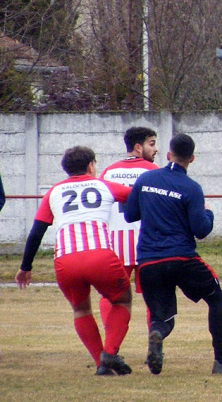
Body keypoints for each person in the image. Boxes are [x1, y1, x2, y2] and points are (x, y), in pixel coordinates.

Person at [125, 133, 222, 375]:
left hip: (148, 261)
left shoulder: (145, 179)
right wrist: (208, 212)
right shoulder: (191, 188)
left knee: (162, 316)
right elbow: (201, 230)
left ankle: (157, 333)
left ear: (168, 155)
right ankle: (221, 362)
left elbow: (129, 215)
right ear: (192, 158)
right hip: (181, 258)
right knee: (216, 298)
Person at [15, 146, 134, 376]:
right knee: (122, 300)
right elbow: (135, 195)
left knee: (80, 310)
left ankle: (101, 364)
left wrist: (25, 267)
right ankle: (109, 352)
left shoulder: (54, 192)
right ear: (91, 166)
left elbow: (36, 231)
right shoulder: (102, 185)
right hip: (100, 255)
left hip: (66, 260)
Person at [99, 126, 159, 330]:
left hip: (116, 244)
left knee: (111, 296)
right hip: (147, 243)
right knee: (153, 295)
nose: (155, 149)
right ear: (137, 147)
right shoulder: (153, 171)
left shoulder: (108, 171)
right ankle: (154, 341)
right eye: (151, 144)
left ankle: (110, 344)